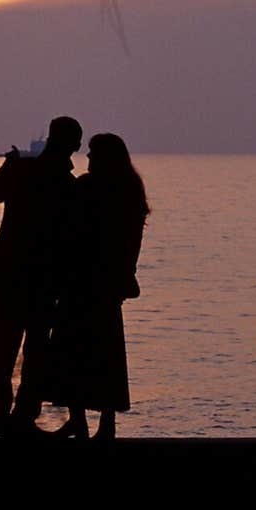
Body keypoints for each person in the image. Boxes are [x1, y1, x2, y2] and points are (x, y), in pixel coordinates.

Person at [0, 116, 83, 436]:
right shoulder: (67, 185)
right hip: (43, 282)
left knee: (3, 354)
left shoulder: (25, 170)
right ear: (74, 146)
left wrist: (10, 166)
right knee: (35, 355)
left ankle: (1, 416)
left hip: (9, 278)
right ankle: (22, 417)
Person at [47, 133, 150, 440]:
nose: (87, 158)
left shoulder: (87, 188)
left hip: (82, 282)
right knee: (105, 353)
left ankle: (81, 419)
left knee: (73, 348)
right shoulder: (129, 192)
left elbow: (66, 229)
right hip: (106, 285)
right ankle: (104, 423)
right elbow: (132, 244)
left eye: (92, 153)